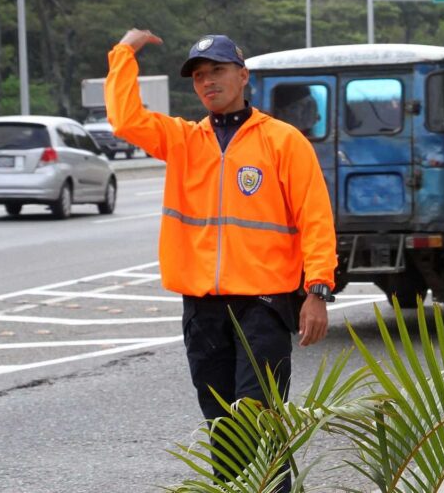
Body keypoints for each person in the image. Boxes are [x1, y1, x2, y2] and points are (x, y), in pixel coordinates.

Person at [104, 29, 337, 490]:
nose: (208, 81)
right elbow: (125, 120)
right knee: (222, 427)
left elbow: (315, 217)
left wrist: (318, 291)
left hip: (265, 306)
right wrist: (124, 52)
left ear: (243, 75)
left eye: (218, 71)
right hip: (203, 310)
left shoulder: (282, 141)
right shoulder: (183, 141)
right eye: (200, 76)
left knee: (259, 419)